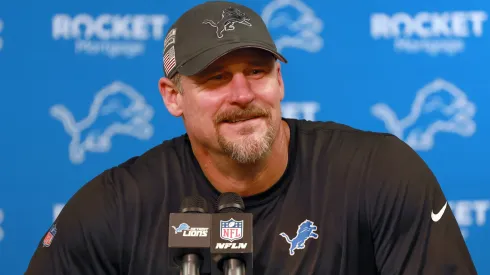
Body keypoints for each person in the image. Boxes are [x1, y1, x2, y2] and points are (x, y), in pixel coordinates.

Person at [25, 1, 477, 274]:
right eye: (216, 78)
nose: (242, 95)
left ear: (279, 81)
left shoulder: (380, 174)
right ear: (173, 96)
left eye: (256, 72)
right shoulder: (115, 207)